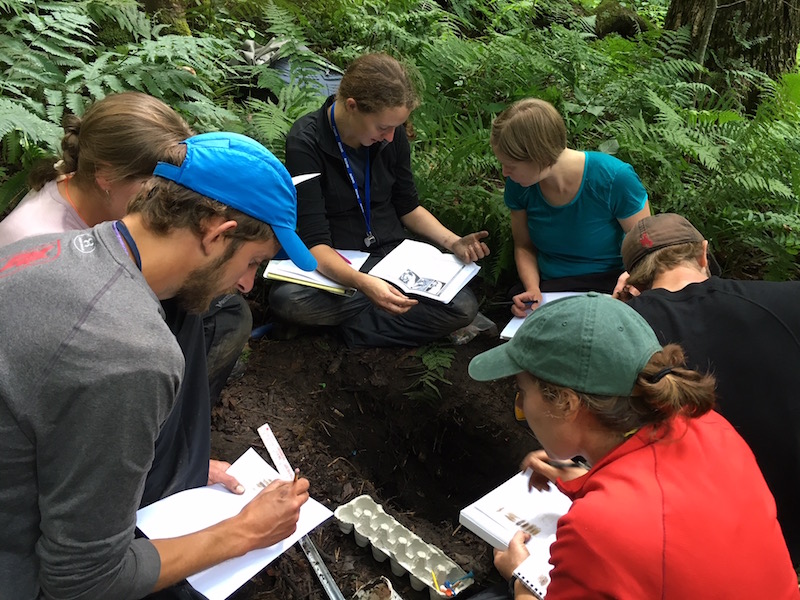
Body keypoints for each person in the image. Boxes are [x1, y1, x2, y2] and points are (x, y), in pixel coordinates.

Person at [0, 131, 317, 599]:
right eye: (254, 262)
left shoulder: (40, 250)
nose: (248, 284)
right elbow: (83, 581)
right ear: (216, 231)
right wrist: (245, 531)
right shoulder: (131, 352)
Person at [0, 92, 248, 505]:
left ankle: (175, 448)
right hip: (45, 409)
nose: (169, 199)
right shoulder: (42, 238)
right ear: (106, 176)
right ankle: (154, 470)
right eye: (157, 185)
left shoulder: (91, 202)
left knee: (222, 312)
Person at [467, 293, 798, 599]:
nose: (521, 404)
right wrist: (582, 477)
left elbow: (631, 525)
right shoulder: (705, 423)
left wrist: (520, 577)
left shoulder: (598, 529)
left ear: (566, 403)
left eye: (523, 392)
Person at [269, 52, 490, 347]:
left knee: (462, 306)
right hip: (338, 262)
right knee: (289, 301)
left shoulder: (391, 135)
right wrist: (364, 285)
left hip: (391, 258)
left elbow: (408, 206)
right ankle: (381, 320)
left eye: (395, 129)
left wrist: (454, 242)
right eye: (382, 128)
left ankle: (341, 331)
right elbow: (315, 244)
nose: (389, 137)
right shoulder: (306, 140)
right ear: (352, 106)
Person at [619, 212, 800, 565]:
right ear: (704, 254)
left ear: (633, 279)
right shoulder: (789, 297)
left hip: (718, 540)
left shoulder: (627, 328)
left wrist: (621, 311)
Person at [490, 98, 650, 318]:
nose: (505, 173)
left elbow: (647, 248)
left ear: (540, 157)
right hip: (552, 287)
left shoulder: (614, 179)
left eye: (511, 165)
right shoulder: (520, 185)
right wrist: (532, 289)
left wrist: (629, 281)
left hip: (610, 283)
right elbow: (524, 246)